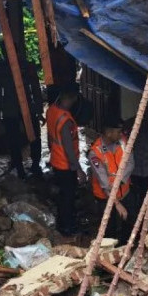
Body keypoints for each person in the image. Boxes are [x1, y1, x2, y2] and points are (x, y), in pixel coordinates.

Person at [0, 43, 43, 179]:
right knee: (19, 138)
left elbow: (35, 89)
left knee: (31, 137)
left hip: (20, 108)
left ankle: (32, 165)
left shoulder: (24, 67)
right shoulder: (3, 68)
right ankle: (24, 166)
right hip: (13, 108)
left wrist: (39, 110)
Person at [88, 116, 134, 245]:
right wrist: (117, 204)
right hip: (106, 198)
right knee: (109, 229)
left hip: (125, 192)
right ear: (108, 133)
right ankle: (110, 255)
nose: (121, 134)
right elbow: (104, 183)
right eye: (118, 132)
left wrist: (121, 181)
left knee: (129, 221)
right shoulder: (95, 153)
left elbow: (130, 162)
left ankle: (126, 247)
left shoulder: (123, 142)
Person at [46, 83, 85, 235]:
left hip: (56, 160)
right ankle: (68, 227)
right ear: (71, 98)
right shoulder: (65, 120)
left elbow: (50, 138)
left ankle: (62, 223)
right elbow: (69, 148)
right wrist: (78, 170)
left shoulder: (51, 111)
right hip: (65, 164)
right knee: (68, 196)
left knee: (63, 195)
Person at [124, 105, 148, 223]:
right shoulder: (129, 124)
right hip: (134, 170)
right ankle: (133, 222)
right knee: (133, 199)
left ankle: (145, 222)